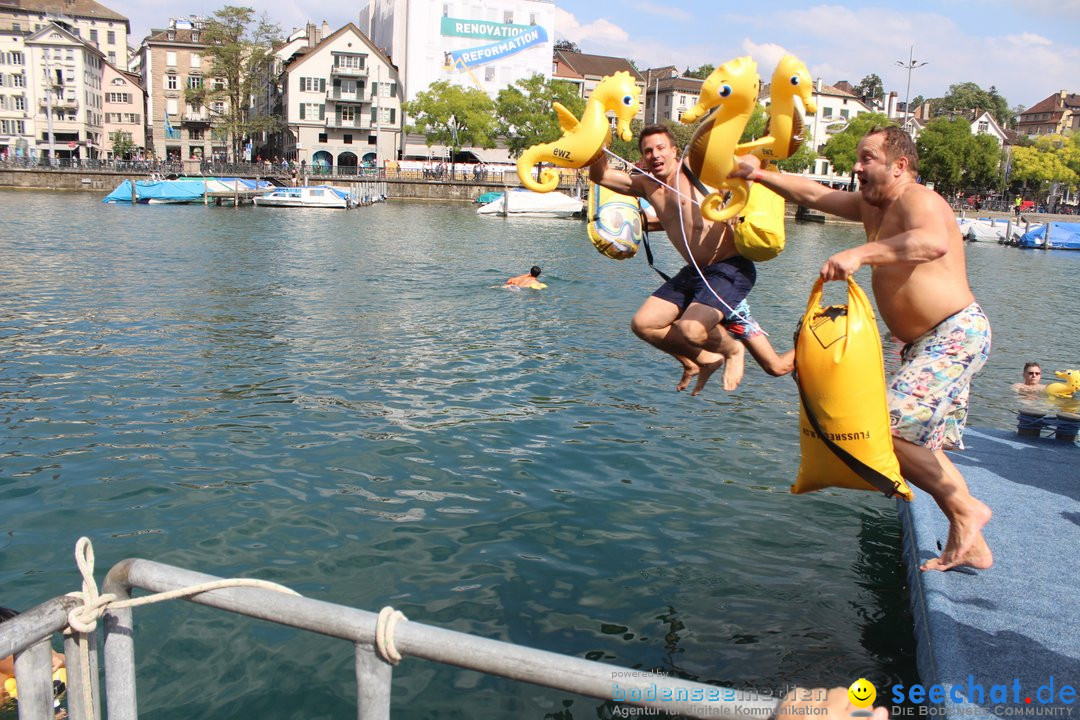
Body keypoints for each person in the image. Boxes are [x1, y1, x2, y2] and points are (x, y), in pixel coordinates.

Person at [731, 125, 993, 572]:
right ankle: (972, 544)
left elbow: (933, 242)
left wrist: (859, 254)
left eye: (867, 158)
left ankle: (968, 510)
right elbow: (812, 194)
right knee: (924, 444)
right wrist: (757, 176)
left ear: (900, 165)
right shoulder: (872, 206)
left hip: (954, 334)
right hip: (922, 344)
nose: (856, 167)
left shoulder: (918, 199)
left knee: (881, 428)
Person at [588, 125, 793, 395]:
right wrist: (594, 138)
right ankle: (703, 360)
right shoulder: (647, 187)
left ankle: (732, 350)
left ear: (674, 150)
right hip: (697, 276)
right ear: (642, 158)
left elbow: (749, 162)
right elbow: (600, 175)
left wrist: (742, 199)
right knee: (643, 324)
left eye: (661, 148)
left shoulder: (698, 169)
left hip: (729, 270)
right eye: (648, 151)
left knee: (692, 330)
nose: (654, 155)